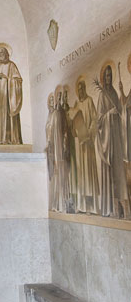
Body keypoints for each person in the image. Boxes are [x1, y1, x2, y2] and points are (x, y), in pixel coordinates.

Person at [96, 63, 129, 218]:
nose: (109, 78)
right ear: (104, 78)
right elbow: (99, 120)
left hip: (116, 138)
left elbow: (121, 111)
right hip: (108, 142)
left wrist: (121, 92)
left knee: (120, 172)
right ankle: (115, 207)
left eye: (110, 75)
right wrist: (109, 113)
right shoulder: (102, 95)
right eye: (107, 76)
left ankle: (124, 205)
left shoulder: (114, 93)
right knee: (111, 174)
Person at [69, 78, 99, 214]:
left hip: (87, 144)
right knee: (81, 176)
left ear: (85, 89)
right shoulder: (76, 104)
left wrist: (88, 134)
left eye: (82, 89)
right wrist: (75, 131)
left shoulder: (89, 101)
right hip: (79, 145)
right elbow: (73, 123)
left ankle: (91, 206)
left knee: (88, 175)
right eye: (78, 89)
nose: (80, 91)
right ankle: (81, 205)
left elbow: (94, 119)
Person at [0, 43, 23, 144]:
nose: (1, 55)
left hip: (8, 96)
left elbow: (18, 80)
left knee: (7, 116)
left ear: (7, 53)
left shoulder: (11, 65)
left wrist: (7, 79)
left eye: (2, 52)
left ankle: (8, 138)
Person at [45, 92, 56, 209]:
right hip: (50, 148)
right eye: (51, 100)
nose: (52, 102)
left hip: (55, 147)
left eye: (53, 100)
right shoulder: (49, 115)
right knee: (51, 174)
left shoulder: (56, 115)